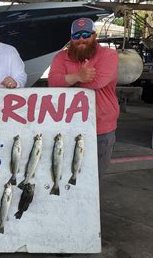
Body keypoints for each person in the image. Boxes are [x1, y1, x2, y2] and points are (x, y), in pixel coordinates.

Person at [48, 17, 119, 178]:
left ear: (94, 36)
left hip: (101, 126)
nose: (81, 39)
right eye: (76, 36)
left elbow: (98, 82)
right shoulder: (61, 56)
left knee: (94, 177)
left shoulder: (109, 54)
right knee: (64, 173)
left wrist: (67, 80)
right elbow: (53, 82)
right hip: (67, 125)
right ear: (71, 39)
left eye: (86, 34)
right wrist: (79, 76)